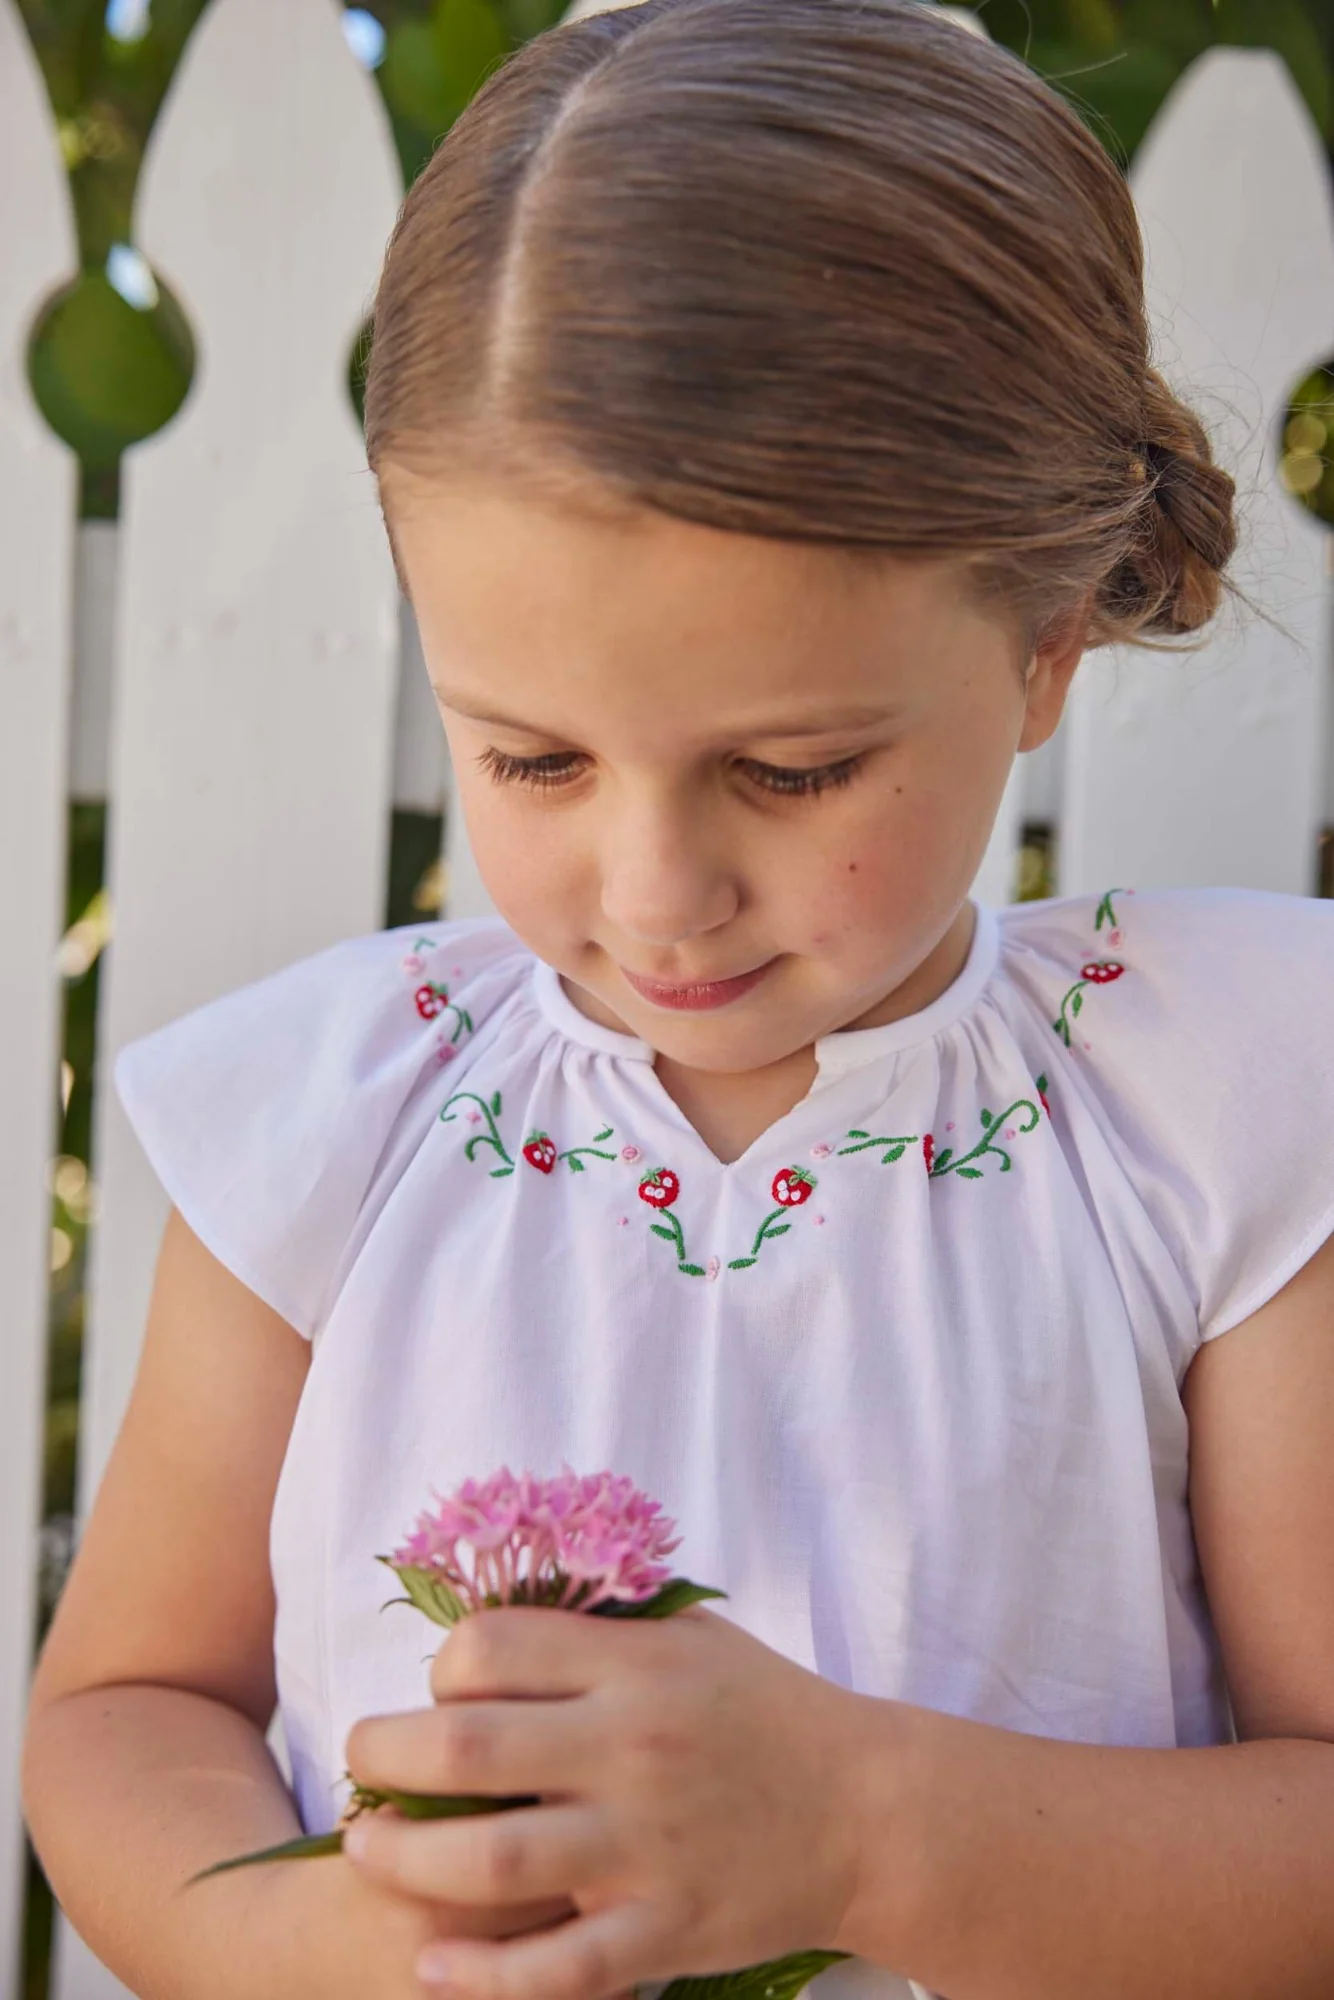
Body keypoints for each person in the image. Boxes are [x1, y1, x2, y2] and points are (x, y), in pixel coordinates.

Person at [23, 3, 1334, 1996]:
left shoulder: (1207, 1115)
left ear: (1048, 644)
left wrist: (864, 1837)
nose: (653, 893)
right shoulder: (340, 1123)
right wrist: (316, 1940)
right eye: (532, 760)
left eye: (793, 771)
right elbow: (125, 1706)